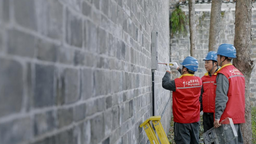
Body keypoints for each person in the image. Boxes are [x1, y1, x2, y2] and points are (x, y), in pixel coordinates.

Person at [162, 56, 202, 144]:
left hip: (181, 121)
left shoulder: (177, 83)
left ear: (185, 69)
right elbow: (187, 79)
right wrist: (177, 68)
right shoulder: (199, 81)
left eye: (183, 67)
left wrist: (168, 71)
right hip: (195, 120)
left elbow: (165, 84)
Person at [213, 44, 245, 144]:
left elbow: (221, 97)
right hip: (237, 117)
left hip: (226, 118)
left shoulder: (223, 73)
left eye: (218, 56)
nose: (216, 59)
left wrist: (217, 117)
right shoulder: (239, 73)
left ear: (223, 58)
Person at [200, 51, 218, 132]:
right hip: (206, 114)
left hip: (217, 115)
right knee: (207, 137)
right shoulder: (203, 78)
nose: (205, 64)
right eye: (205, 62)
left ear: (215, 63)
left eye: (208, 62)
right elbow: (200, 95)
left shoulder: (220, 76)